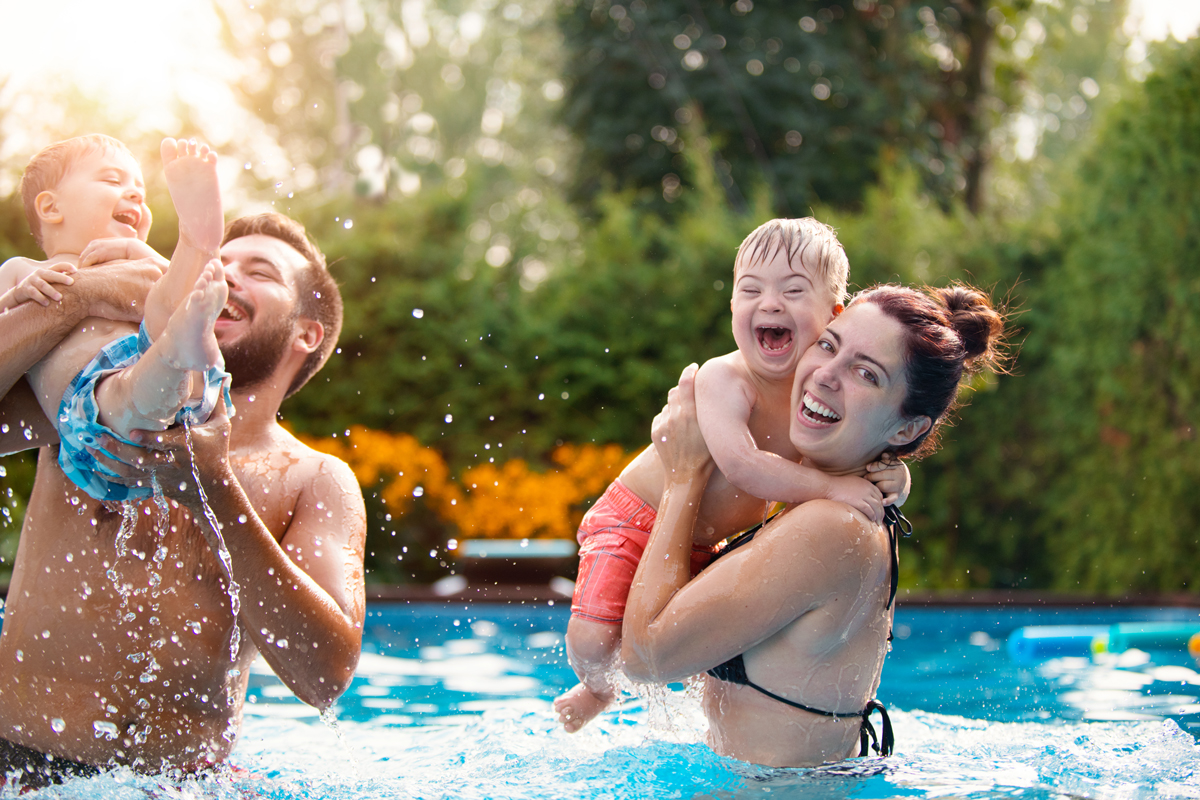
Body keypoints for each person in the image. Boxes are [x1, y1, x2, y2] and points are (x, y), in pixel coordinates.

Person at [0, 212, 365, 786]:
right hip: (16, 772)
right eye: (219, 262)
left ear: (306, 332)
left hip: (186, 786)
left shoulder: (314, 479)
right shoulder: (90, 395)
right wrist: (72, 302)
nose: (226, 274)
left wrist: (213, 490)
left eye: (259, 271)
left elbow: (323, 678)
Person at [621, 283, 1006, 767]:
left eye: (866, 373)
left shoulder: (832, 528)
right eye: (828, 345)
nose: (825, 375)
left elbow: (647, 658)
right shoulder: (851, 501)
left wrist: (684, 475)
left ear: (907, 429)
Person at [555, 219, 911, 731]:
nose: (769, 304)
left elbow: (848, 458)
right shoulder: (725, 378)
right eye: (750, 291)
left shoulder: (815, 391)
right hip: (637, 518)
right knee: (592, 642)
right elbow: (742, 465)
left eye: (792, 291)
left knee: (700, 645)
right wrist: (833, 488)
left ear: (834, 315)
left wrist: (894, 480)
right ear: (732, 310)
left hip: (706, 543)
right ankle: (596, 689)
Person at [0, 134, 231, 501]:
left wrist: (156, 263)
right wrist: (18, 296)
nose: (136, 194)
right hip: (97, 411)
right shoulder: (24, 271)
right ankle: (178, 346)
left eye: (140, 188)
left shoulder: (138, 258)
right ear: (51, 208)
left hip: (174, 393)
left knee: (166, 304)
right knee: (126, 389)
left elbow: (176, 289)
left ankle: (198, 241)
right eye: (112, 180)